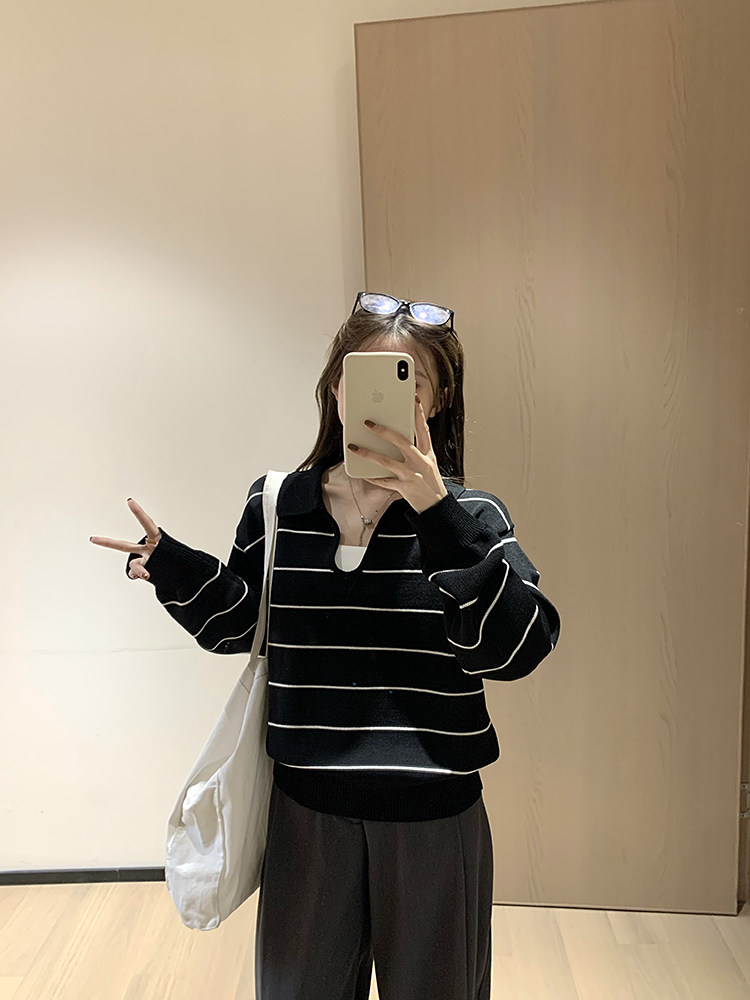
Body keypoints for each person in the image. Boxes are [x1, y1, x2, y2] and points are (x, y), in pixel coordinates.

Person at [90, 291, 561, 1000]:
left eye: (409, 380)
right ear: (336, 389)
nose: (380, 397)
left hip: (436, 822)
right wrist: (172, 567)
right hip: (306, 815)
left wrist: (437, 514)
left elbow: (516, 649)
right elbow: (238, 627)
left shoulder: (472, 517)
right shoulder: (279, 504)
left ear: (435, 401)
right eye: (360, 376)